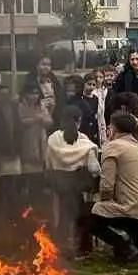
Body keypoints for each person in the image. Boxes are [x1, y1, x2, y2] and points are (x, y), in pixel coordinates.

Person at [92, 109, 138, 263]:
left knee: (91, 215)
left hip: (134, 210)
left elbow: (107, 186)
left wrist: (104, 201)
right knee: (129, 207)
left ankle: (125, 245)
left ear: (114, 128)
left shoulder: (113, 147)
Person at [45, 104, 99, 256]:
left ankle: (62, 247)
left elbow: (47, 162)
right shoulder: (83, 141)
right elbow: (94, 168)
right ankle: (83, 247)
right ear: (79, 121)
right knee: (80, 214)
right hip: (78, 185)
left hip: (58, 184)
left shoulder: (53, 139)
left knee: (61, 215)